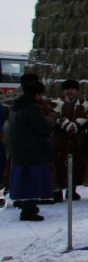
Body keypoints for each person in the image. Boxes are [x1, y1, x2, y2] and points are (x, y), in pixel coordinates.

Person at [7, 79, 56, 221]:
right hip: (33, 151)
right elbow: (43, 128)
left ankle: (28, 207)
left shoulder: (16, 106)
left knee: (24, 181)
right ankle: (28, 211)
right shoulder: (32, 108)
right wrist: (51, 126)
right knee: (32, 181)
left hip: (19, 151)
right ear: (35, 95)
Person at [52, 80, 88, 201]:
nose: (69, 92)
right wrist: (65, 123)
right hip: (61, 139)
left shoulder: (83, 103)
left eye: (72, 89)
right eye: (67, 89)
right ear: (64, 91)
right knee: (59, 164)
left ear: (76, 91)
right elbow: (54, 116)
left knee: (77, 163)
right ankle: (57, 191)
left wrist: (77, 124)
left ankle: (72, 190)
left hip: (77, 139)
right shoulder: (57, 102)